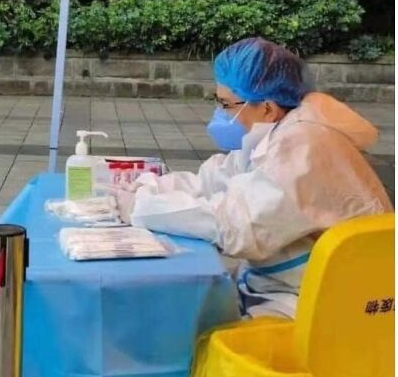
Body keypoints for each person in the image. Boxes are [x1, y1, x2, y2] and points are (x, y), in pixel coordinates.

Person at [113, 38, 393, 318]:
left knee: (187, 323)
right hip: (291, 286)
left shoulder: (302, 146)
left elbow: (235, 227)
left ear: (267, 108)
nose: (219, 114)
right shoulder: (277, 133)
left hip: (327, 305)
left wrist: (142, 208)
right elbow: (214, 180)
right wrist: (150, 186)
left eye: (226, 104)